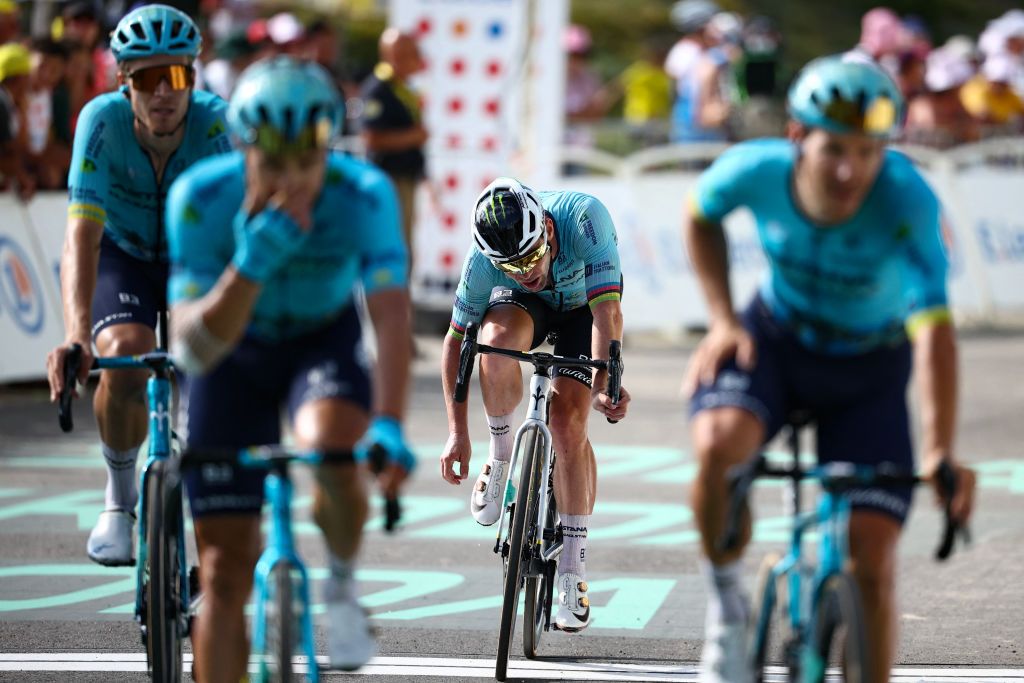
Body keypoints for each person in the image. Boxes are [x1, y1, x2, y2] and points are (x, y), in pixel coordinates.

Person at [682, 55, 977, 683]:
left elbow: (935, 334)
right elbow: (699, 214)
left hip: (869, 366)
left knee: (872, 560)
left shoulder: (907, 201)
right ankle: (728, 612)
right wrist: (722, 318)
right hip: (777, 341)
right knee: (717, 443)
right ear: (796, 137)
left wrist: (941, 448)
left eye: (871, 152)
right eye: (834, 150)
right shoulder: (755, 171)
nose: (852, 171)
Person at [166, 55, 416, 680]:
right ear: (243, 149)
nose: (293, 182)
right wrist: (249, 266)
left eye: (308, 162)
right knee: (224, 572)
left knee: (333, 447)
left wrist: (387, 422)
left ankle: (341, 583)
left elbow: (389, 317)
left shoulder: (363, 193)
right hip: (231, 352)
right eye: (273, 163)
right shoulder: (201, 199)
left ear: (329, 148)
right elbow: (193, 351)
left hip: (319, 341)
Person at [44, 4, 232, 567]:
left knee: (211, 370)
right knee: (122, 354)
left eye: (174, 76)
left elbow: (237, 230)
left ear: (193, 79)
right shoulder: (99, 122)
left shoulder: (217, 123)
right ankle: (120, 499)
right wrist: (77, 334)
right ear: (123, 81)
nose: (162, 93)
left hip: (192, 260)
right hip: (123, 255)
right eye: (146, 79)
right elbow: (81, 235)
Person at [439, 177, 631, 633]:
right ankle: (501, 456)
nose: (525, 270)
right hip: (525, 309)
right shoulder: (487, 262)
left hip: (583, 307)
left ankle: (572, 567)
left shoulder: (585, 220)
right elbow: (455, 343)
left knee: (568, 425)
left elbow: (607, 315)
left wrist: (607, 382)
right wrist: (457, 433)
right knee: (493, 341)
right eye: (510, 265)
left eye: (530, 256)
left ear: (546, 227)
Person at [360, 27, 427, 275]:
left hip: (403, 176)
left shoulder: (401, 88)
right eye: (411, 53)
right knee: (392, 246)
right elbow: (371, 138)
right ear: (394, 55)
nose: (418, 58)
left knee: (403, 245)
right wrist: (413, 137)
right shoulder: (378, 89)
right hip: (389, 179)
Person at [0, 43, 35, 200]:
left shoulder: (8, 102)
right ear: (20, 77)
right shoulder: (2, 102)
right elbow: (8, 149)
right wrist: (23, 178)